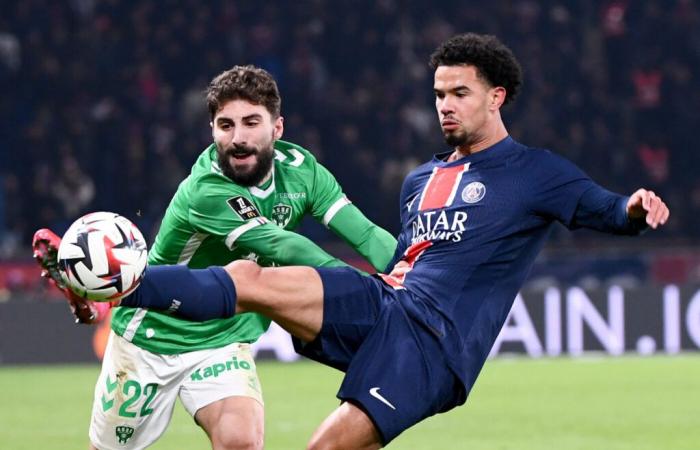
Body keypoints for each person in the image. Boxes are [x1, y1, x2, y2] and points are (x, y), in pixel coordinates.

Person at [94, 33, 670, 449]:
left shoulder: (535, 172)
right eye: (440, 92)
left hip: (432, 347)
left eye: (460, 93)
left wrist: (635, 209)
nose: (445, 104)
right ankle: (123, 285)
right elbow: (401, 256)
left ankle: (125, 285)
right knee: (248, 278)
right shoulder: (422, 178)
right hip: (389, 304)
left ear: (496, 97)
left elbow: (607, 210)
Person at [33, 65, 397, 450]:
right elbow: (284, 247)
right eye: (225, 126)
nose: (237, 138)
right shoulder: (205, 188)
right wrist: (365, 296)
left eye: (251, 123)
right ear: (212, 130)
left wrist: (414, 274)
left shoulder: (302, 170)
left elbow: (366, 234)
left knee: (241, 443)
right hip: (151, 337)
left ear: (277, 128)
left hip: (224, 337)